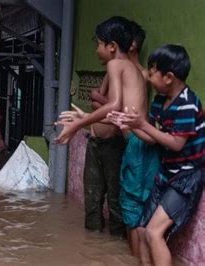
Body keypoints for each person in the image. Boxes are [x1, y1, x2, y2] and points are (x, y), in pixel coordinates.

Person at [109, 44, 204, 266]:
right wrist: (128, 125)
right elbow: (153, 137)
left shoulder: (188, 104)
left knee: (153, 233)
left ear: (169, 77)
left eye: (152, 74)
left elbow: (176, 143)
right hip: (166, 173)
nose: (149, 79)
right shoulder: (160, 101)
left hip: (186, 177)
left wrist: (141, 123)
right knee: (141, 231)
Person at [56, 16, 147, 239]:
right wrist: (87, 116)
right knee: (128, 210)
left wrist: (79, 123)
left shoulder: (117, 64)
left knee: (125, 209)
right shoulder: (128, 68)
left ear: (112, 46)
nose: (96, 49)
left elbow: (113, 104)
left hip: (133, 145)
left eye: (98, 43)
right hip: (138, 143)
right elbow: (119, 113)